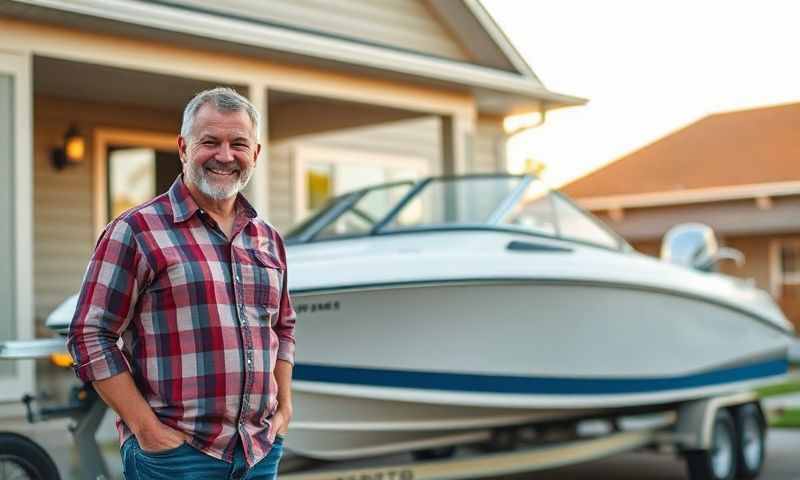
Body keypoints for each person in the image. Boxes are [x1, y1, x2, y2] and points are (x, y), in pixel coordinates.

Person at [67, 87, 296, 480]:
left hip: (259, 452)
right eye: (210, 142)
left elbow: (283, 325)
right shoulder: (136, 230)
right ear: (183, 148)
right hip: (176, 457)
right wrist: (145, 429)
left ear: (255, 154)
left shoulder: (267, 238)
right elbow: (90, 333)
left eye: (238, 143)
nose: (225, 155)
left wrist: (285, 406)